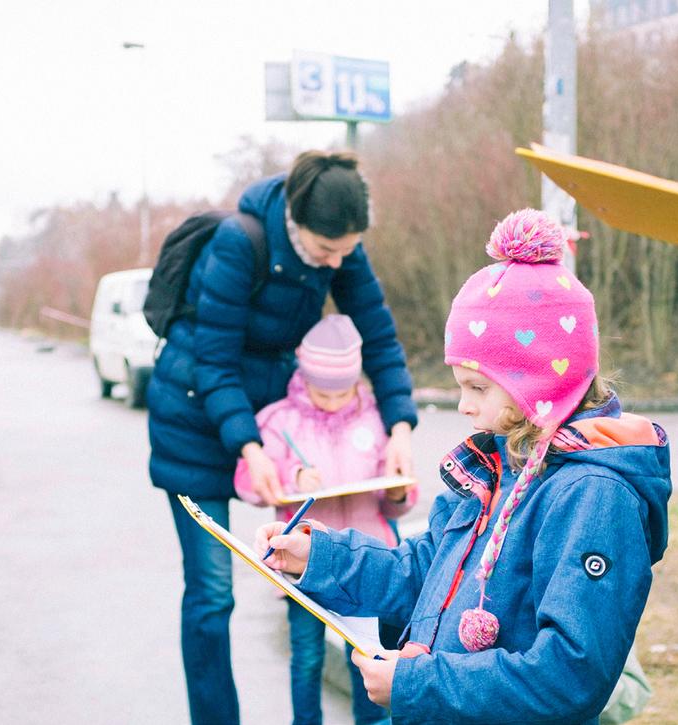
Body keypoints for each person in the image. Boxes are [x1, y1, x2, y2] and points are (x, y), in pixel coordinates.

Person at [256, 209, 671, 724]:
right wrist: (319, 558)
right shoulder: (495, 464)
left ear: (540, 384)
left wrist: (418, 684)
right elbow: (423, 573)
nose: (464, 406)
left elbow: (570, 676)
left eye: (478, 388)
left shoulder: (592, 496)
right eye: (461, 386)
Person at [147, 150, 419, 724]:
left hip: (265, 418)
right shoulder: (238, 243)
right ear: (296, 223)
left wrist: (399, 426)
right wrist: (248, 446)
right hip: (194, 419)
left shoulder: (339, 245)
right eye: (326, 251)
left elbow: (380, 336)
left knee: (294, 566)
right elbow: (213, 362)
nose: (335, 262)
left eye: (345, 251)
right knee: (213, 593)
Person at [234, 314, 417, 725]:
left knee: (369, 658)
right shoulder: (280, 422)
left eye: (342, 392)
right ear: (305, 377)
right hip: (303, 569)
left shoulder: (376, 419)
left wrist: (398, 491)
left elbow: (400, 500)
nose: (333, 402)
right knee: (307, 658)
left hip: (366, 564)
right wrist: (291, 477)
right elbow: (247, 482)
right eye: (322, 393)